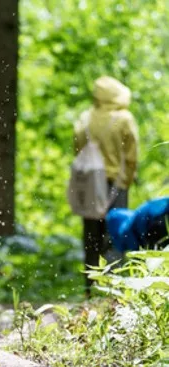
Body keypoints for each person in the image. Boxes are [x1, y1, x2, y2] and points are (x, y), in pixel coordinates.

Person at [73, 76, 139, 293]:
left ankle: (90, 289)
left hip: (90, 183)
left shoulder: (85, 119)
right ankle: (113, 290)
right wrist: (126, 181)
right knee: (115, 235)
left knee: (91, 237)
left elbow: (78, 149)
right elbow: (131, 156)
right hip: (115, 184)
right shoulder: (124, 118)